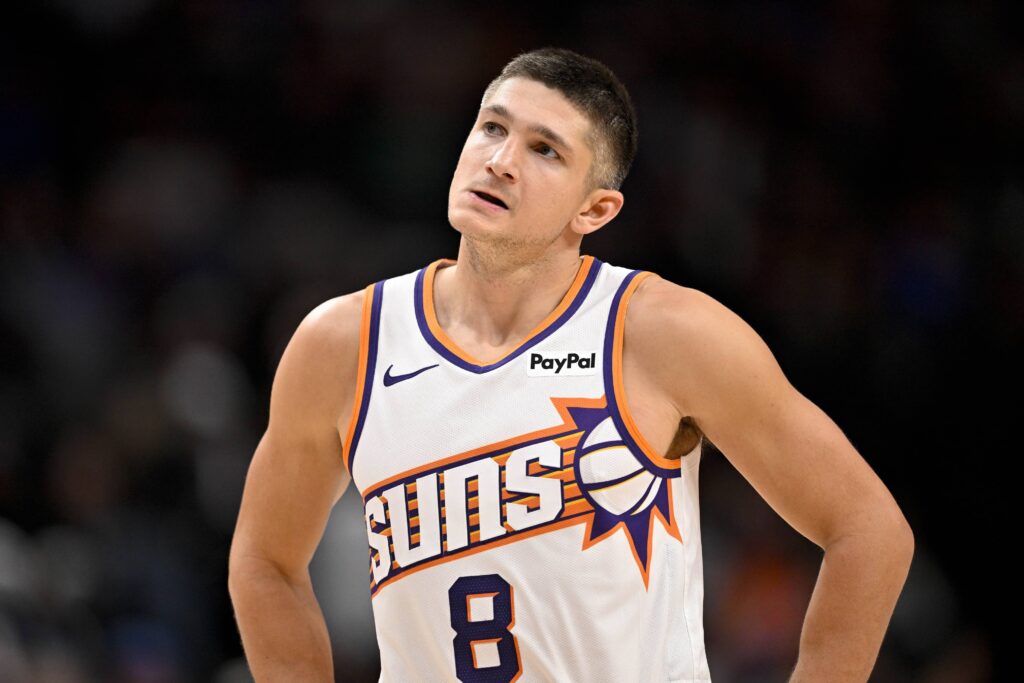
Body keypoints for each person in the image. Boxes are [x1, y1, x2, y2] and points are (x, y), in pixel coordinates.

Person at [228, 47, 914, 682]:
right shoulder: (344, 344)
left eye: (544, 149)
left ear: (596, 207)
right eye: (491, 128)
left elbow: (869, 531)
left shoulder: (662, 333)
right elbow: (265, 562)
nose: (500, 160)